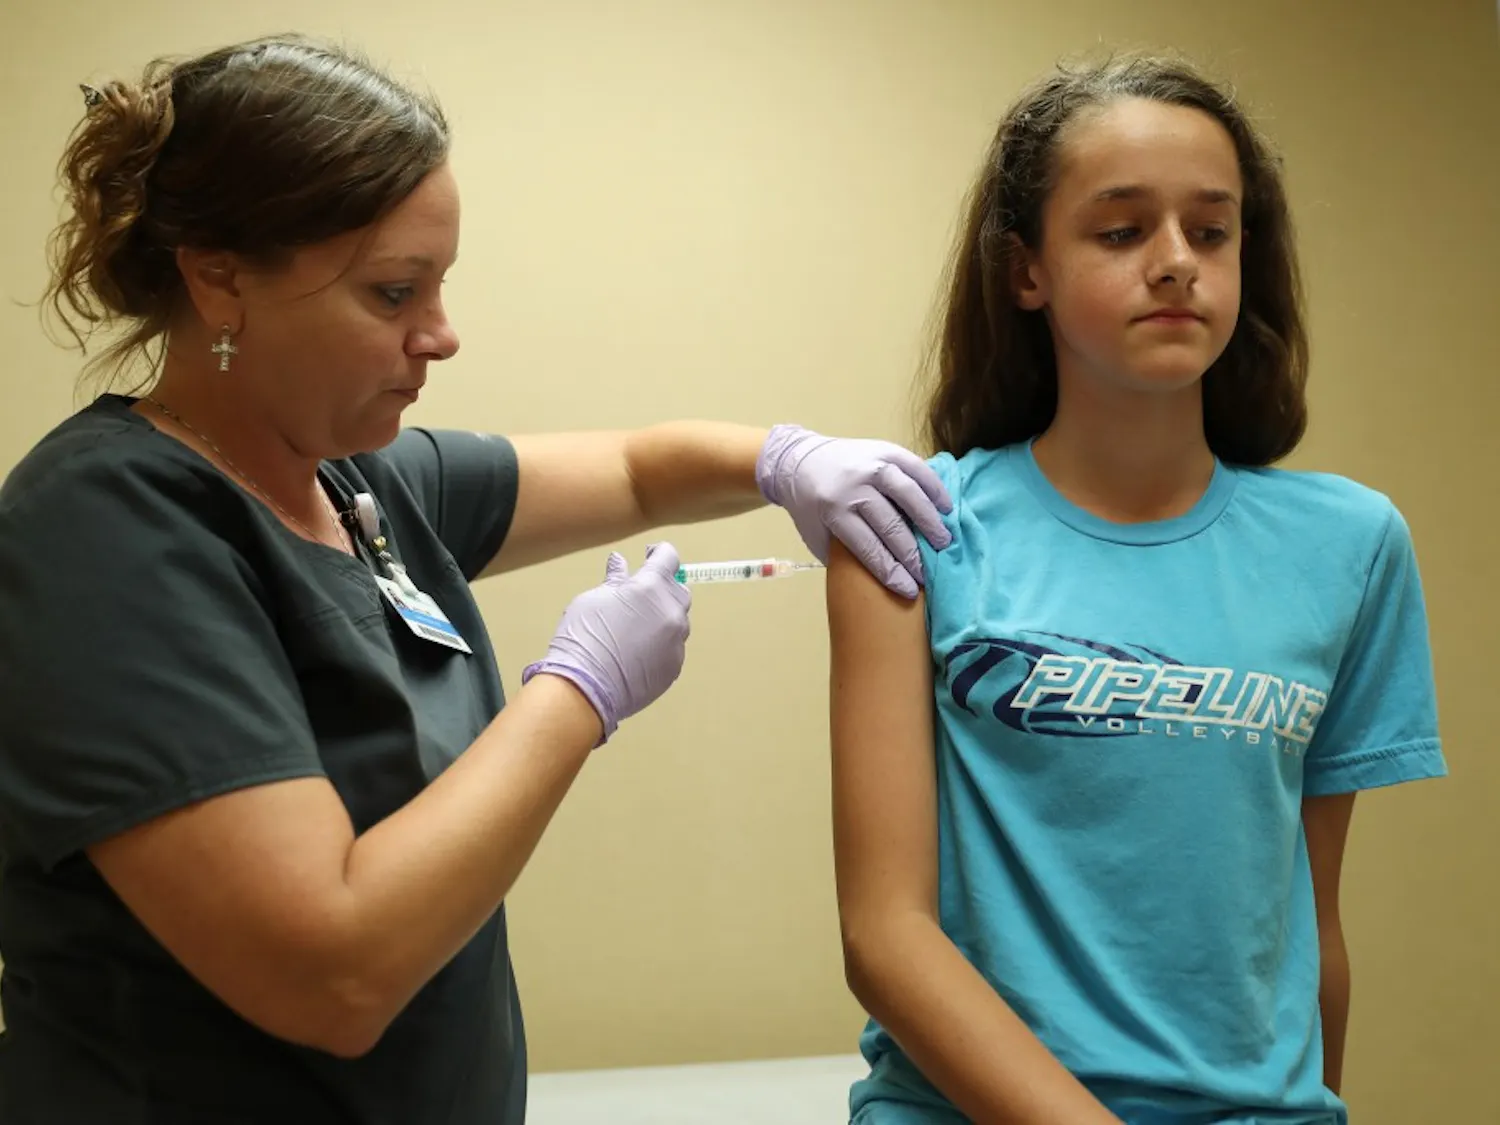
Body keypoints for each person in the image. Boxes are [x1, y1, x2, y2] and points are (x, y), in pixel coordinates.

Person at [0, 35, 955, 1125]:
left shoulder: (360, 487)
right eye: (394, 292)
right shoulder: (107, 527)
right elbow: (334, 973)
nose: (441, 336)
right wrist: (578, 692)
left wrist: (784, 460)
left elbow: (640, 472)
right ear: (218, 277)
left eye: (439, 285)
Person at [826, 54, 1446, 1125]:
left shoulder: (1352, 545)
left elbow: (1309, 923)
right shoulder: (913, 522)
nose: (1175, 263)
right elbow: (886, 937)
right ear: (1027, 271)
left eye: (1211, 231)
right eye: (1120, 232)